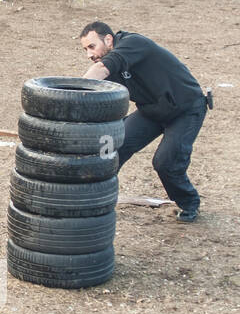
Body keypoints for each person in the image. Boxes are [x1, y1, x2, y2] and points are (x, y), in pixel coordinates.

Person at [79, 21, 209, 222]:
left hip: (186, 109)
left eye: (92, 46)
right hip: (152, 111)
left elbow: (101, 69)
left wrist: (72, 94)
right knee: (111, 148)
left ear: (108, 39)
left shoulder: (134, 43)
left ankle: (189, 203)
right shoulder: (109, 64)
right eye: (85, 49)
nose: (89, 54)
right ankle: (99, 199)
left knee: (166, 162)